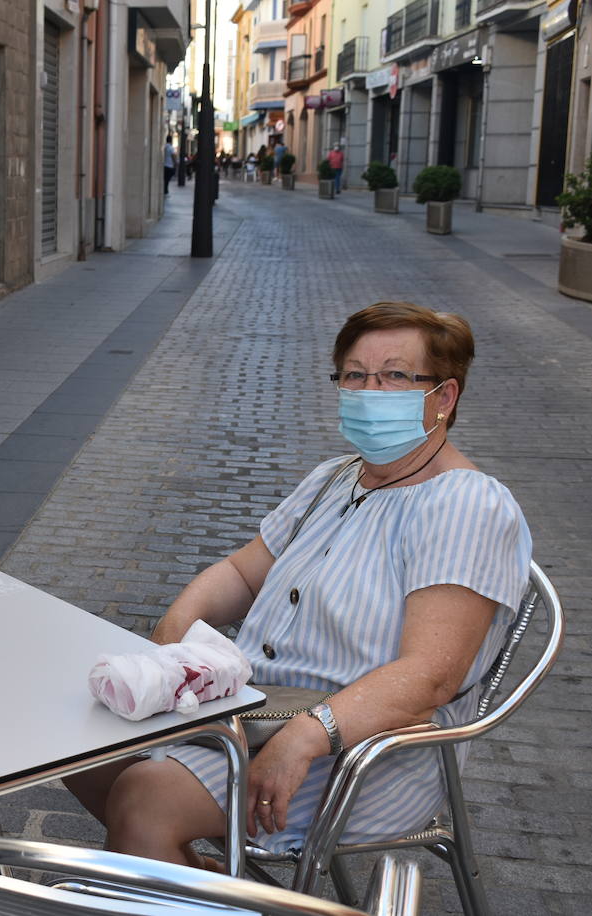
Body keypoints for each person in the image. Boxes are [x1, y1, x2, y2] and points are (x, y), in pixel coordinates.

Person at [65, 302, 532, 871]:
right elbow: (242, 573)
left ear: (444, 397)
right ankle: (196, 883)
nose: (369, 391)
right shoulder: (335, 477)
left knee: (147, 799)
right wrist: (173, 635)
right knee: (76, 748)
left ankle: (178, 873)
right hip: (260, 711)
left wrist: (308, 735)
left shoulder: (467, 504)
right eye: (355, 374)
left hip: (365, 748)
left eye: (394, 375)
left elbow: (430, 676)